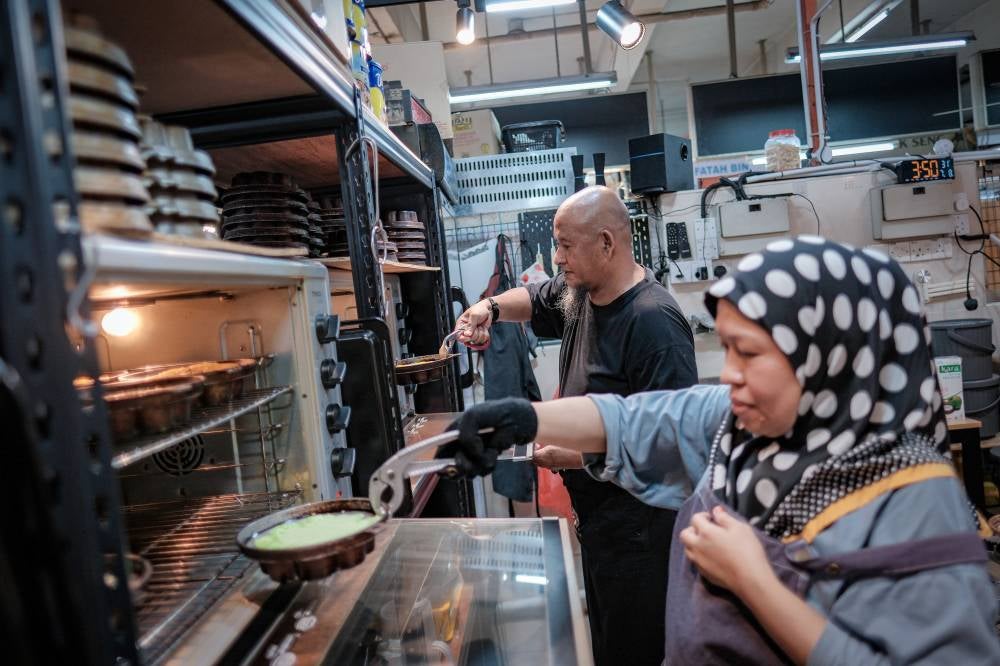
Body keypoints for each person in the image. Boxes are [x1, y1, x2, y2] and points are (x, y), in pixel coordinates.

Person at [441, 237, 1000, 665]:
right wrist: (522, 418)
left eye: (749, 354)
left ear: (829, 356)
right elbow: (635, 417)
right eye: (728, 348)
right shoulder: (744, 423)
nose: (729, 375)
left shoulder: (913, 500)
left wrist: (753, 580)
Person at [455, 186, 697, 665]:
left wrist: (580, 457)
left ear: (606, 243)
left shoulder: (654, 325)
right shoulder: (582, 294)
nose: (558, 257)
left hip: (642, 541)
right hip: (603, 529)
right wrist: (490, 309)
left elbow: (672, 449)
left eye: (566, 245)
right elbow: (535, 297)